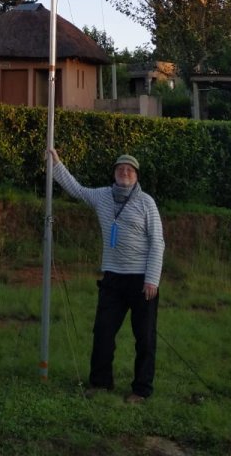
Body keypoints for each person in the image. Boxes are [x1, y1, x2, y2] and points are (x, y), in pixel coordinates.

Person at [49, 148, 164, 403]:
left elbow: (157, 242)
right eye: (120, 169)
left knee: (144, 338)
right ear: (114, 173)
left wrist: (152, 279)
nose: (125, 172)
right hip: (112, 278)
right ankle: (101, 383)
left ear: (136, 176)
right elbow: (77, 189)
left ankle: (141, 389)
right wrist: (56, 163)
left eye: (130, 170)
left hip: (142, 280)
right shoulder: (102, 196)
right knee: (103, 332)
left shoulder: (146, 202)